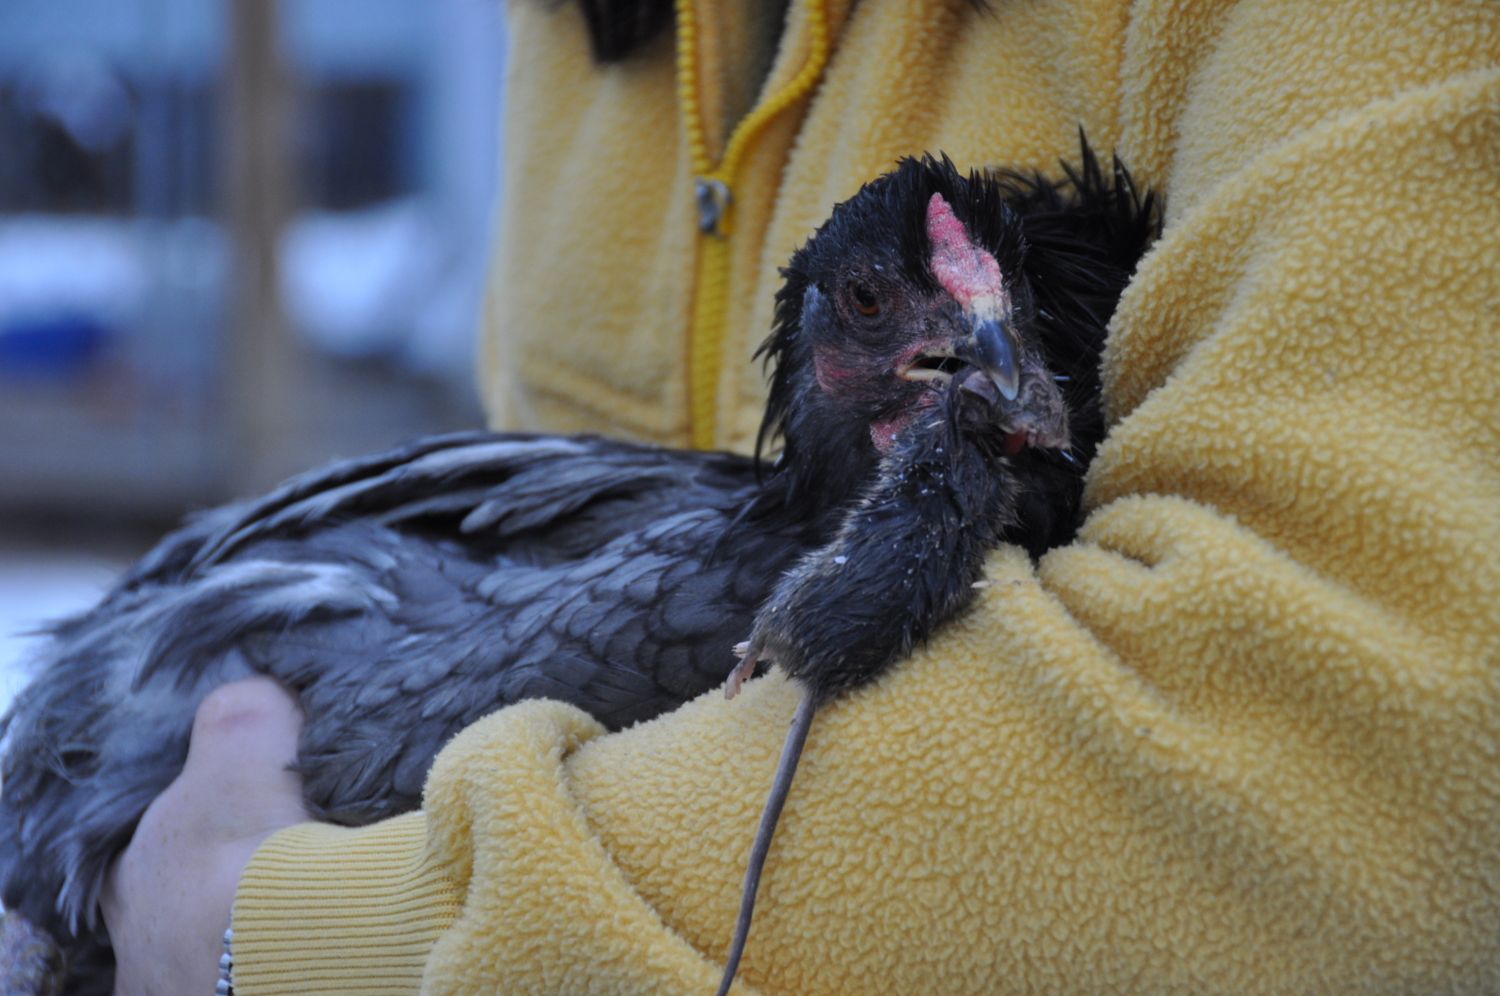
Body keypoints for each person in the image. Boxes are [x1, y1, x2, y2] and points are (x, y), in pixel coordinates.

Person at [103, 0, 1500, 992]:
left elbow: (1374, 752)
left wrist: (313, 939)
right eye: (886, 312)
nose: (969, 342)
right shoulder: (593, 28)